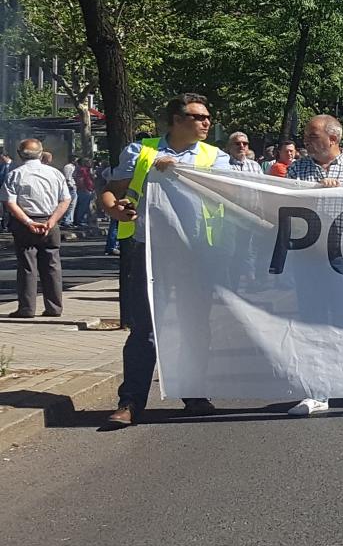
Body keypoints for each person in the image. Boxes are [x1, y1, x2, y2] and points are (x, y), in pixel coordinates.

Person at [103, 93, 231, 426]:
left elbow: (230, 193)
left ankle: (194, 394)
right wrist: (114, 208)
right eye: (198, 116)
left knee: (195, 327)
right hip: (150, 252)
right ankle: (130, 403)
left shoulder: (215, 157)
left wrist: (178, 170)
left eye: (207, 116)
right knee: (144, 331)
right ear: (176, 120)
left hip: (197, 253)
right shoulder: (141, 151)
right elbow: (113, 191)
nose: (206, 122)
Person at [283, 114, 343, 417]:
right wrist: (312, 194)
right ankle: (317, 391)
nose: (306, 141)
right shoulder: (297, 169)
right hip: (308, 256)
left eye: (312, 136)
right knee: (312, 322)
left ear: (332, 139)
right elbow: (282, 205)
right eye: (306, 137)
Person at [5, 139, 72, 319]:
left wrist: (28, 222)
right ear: (41, 153)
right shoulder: (55, 173)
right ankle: (54, 307)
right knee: (52, 265)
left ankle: (27, 309)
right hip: (50, 221)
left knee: (27, 266)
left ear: (20, 154)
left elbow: (10, 203)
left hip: (25, 224)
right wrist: (52, 220)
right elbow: (65, 199)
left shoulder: (15, 174)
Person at [72, 157, 98, 228]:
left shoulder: (88, 170)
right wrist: (84, 189)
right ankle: (80, 220)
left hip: (89, 189)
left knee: (87, 206)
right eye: (89, 162)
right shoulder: (82, 170)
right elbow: (80, 180)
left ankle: (83, 220)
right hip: (84, 190)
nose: (91, 163)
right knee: (82, 206)